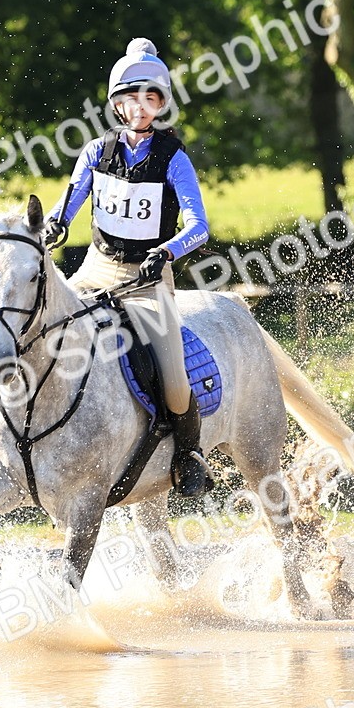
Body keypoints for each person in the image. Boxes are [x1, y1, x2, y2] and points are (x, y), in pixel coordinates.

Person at [43, 37, 213, 497]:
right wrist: (54, 226)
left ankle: (188, 455)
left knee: (174, 381)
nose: (140, 106)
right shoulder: (96, 152)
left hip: (147, 280)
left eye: (150, 97)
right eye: (131, 97)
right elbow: (67, 205)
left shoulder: (174, 159)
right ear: (117, 104)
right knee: (49, 330)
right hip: (96, 269)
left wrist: (167, 252)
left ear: (160, 104)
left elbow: (199, 226)